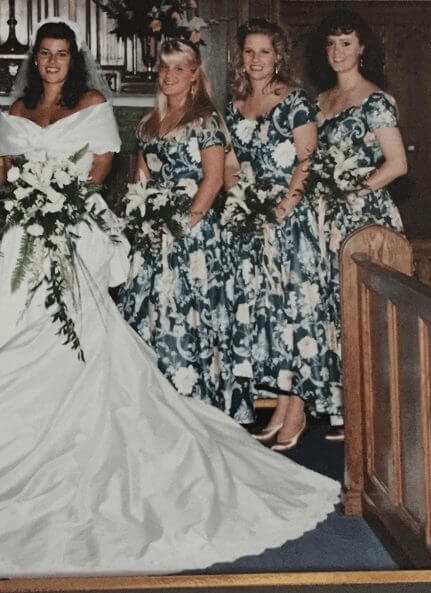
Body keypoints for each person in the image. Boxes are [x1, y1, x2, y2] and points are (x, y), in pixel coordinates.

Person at [0, 19, 339, 576]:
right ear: (35, 60)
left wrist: (73, 201)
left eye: (63, 54)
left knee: (143, 329)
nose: (54, 62)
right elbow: (31, 170)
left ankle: (238, 410)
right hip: (30, 228)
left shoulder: (114, 106)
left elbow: (117, 170)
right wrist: (32, 203)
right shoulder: (29, 113)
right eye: (46, 54)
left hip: (137, 228)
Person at [118, 39, 250, 422]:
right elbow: (141, 178)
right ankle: (152, 404)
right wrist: (142, 218)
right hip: (153, 232)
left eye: (179, 68)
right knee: (149, 312)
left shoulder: (205, 119)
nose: (169, 75)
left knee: (186, 315)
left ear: (195, 75)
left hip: (192, 236)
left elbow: (211, 182)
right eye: (164, 67)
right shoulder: (148, 123)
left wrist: (182, 226)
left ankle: (194, 403)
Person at [307, 8, 407, 439]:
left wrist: (356, 190)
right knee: (334, 312)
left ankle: (374, 411)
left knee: (365, 314)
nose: (337, 52)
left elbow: (397, 163)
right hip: (324, 217)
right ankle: (346, 410)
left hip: (364, 220)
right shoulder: (321, 101)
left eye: (346, 42)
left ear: (362, 48)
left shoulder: (376, 101)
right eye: (331, 43)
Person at [224, 19, 322, 450]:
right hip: (253, 224)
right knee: (272, 318)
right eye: (249, 51)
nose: (257, 60)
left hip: (290, 221)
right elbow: (229, 162)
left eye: (265, 51)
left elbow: (308, 160)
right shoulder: (236, 103)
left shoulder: (295, 101)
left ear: (277, 55)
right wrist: (240, 199)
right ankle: (281, 408)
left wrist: (282, 208)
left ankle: (297, 411)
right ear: (240, 57)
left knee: (296, 315)